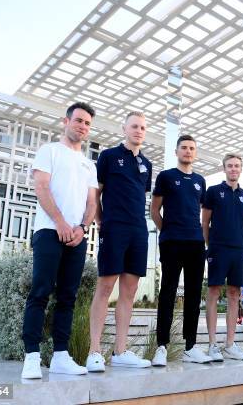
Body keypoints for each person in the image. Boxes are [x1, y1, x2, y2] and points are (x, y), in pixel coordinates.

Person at [21, 102, 99, 379]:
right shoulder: (49, 151)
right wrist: (60, 222)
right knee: (40, 292)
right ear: (65, 121)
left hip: (76, 237)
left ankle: (61, 356)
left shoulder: (90, 165)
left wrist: (82, 227)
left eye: (87, 123)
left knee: (68, 296)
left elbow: (92, 201)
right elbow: (41, 187)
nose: (82, 126)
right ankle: (31, 356)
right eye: (78, 120)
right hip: (48, 231)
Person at [86, 111, 152, 372]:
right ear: (124, 128)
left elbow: (140, 196)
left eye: (143, 128)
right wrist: (101, 221)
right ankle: (94, 351)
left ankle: (121, 351)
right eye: (134, 126)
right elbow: (96, 194)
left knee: (130, 292)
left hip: (139, 231)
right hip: (114, 228)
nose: (138, 131)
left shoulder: (147, 163)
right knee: (105, 288)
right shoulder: (109, 157)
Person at [150, 135, 212, 365]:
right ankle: (161, 347)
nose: (187, 151)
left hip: (195, 243)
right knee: (167, 293)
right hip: (172, 242)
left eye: (191, 148)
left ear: (195, 153)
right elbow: (154, 209)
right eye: (184, 148)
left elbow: (203, 213)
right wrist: (166, 231)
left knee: (194, 296)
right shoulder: (166, 177)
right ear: (177, 151)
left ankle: (190, 346)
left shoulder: (200, 181)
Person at [202, 153, 243, 361]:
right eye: (230, 166)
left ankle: (230, 344)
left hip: (238, 250)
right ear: (224, 169)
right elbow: (205, 223)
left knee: (234, 295)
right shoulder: (213, 192)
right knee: (213, 292)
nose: (233, 169)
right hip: (217, 249)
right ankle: (213, 344)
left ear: (241, 169)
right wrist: (210, 245)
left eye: (237, 166)